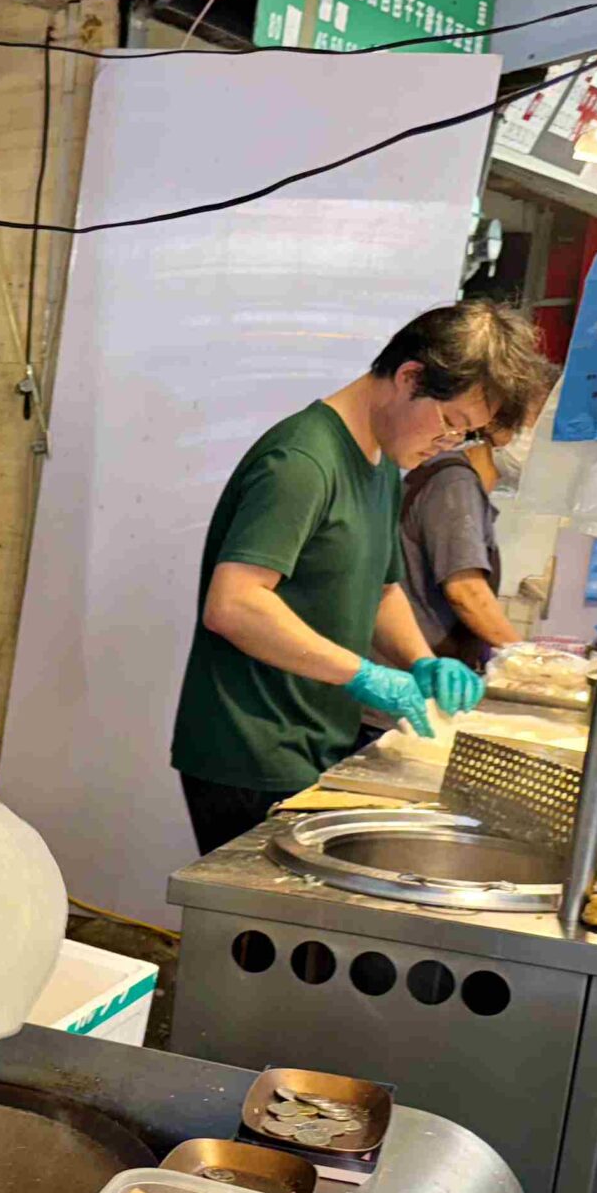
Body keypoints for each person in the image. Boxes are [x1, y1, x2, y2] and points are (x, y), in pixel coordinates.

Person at [170, 300, 553, 854]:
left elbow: (382, 589)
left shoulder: (380, 465)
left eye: (466, 435)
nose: (450, 444)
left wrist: (420, 662)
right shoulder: (303, 461)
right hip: (255, 745)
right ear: (410, 377)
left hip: (317, 736)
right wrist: (363, 674)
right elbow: (235, 604)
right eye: (451, 423)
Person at [397, 437, 520, 669]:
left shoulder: (448, 476)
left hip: (418, 657)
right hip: (419, 661)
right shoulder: (455, 482)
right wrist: (527, 660)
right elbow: (465, 591)